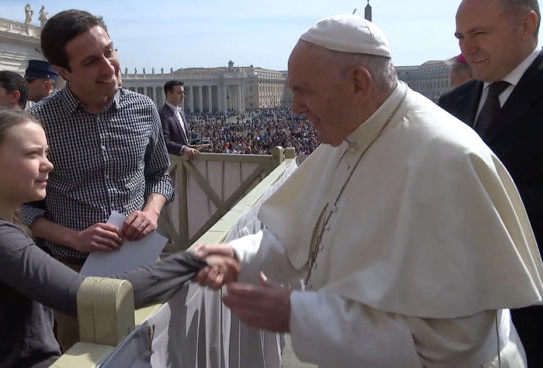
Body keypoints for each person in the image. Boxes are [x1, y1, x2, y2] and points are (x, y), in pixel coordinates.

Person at [194, 14, 543, 367]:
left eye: (304, 91)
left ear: (359, 84)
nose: (295, 107)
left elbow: (453, 342)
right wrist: (238, 256)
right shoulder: (345, 136)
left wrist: (300, 316)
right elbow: (300, 236)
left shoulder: (447, 158)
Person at [0, 109, 239, 367]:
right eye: (33, 154)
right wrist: (192, 261)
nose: (48, 164)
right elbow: (87, 296)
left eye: (46, 153)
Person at [22, 9, 174, 350]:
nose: (109, 67)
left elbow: (160, 175)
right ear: (62, 71)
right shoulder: (36, 123)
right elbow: (21, 206)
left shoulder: (144, 108)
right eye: (91, 61)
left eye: (110, 51)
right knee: (90, 354)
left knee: (156, 348)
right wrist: (74, 238)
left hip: (143, 261)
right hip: (72, 272)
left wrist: (151, 212)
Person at [438, 0, 543, 364]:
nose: (466, 47)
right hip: (464, 314)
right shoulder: (452, 104)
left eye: (480, 33)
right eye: (461, 36)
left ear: (527, 25)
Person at [158, 80, 199, 159]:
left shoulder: (181, 113)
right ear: (169, 94)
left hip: (184, 162)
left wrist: (191, 147)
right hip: (172, 163)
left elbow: (183, 140)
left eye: (183, 92)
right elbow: (164, 141)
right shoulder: (162, 114)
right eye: (179, 93)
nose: (183, 95)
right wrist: (183, 149)